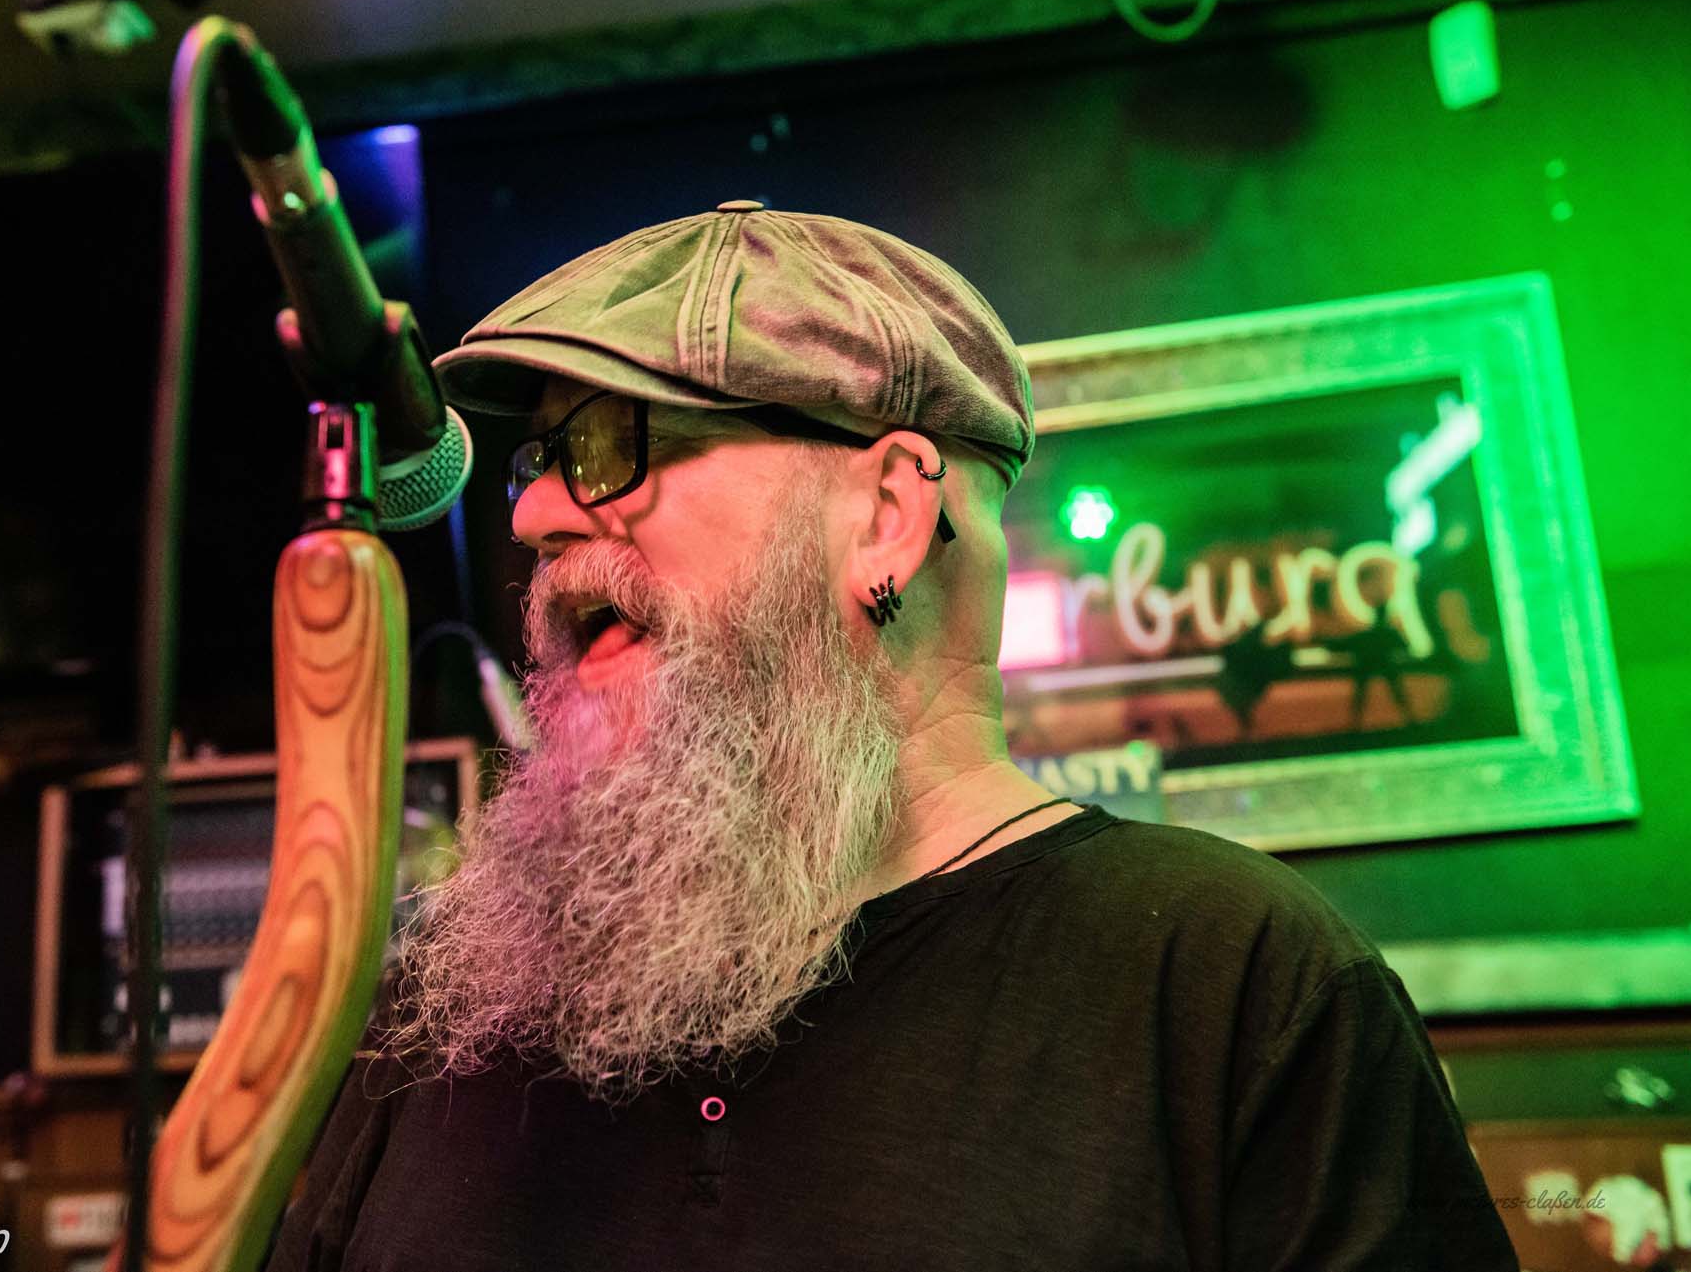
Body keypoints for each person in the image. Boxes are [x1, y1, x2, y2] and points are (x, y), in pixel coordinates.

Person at [265, 203, 1518, 1270]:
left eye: (608, 446)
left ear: (885, 516)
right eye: (537, 461)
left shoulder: (1234, 986)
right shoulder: (442, 1020)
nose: (535, 514)